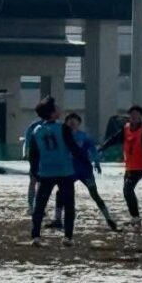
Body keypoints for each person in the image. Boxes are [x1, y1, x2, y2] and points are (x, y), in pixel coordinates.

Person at [49, 113, 119, 232]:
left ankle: (108, 219)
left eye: (75, 120)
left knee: (94, 194)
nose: (72, 123)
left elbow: (93, 150)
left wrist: (96, 163)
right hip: (69, 171)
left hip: (85, 171)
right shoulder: (63, 137)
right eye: (69, 121)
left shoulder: (85, 137)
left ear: (79, 123)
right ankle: (58, 220)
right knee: (60, 193)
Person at [28, 97, 82, 247]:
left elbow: (33, 154)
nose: (59, 109)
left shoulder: (36, 131)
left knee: (40, 205)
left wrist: (34, 171)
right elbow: (73, 148)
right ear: (52, 113)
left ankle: (36, 236)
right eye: (56, 108)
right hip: (64, 171)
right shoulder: (63, 128)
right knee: (69, 204)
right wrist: (83, 159)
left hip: (46, 172)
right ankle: (68, 236)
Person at [99, 104, 142, 233]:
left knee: (128, 189)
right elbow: (114, 139)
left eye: (136, 115)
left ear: (141, 117)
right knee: (127, 192)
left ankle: (135, 217)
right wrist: (102, 148)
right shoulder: (126, 129)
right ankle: (136, 218)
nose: (134, 117)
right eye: (132, 115)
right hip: (129, 166)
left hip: (140, 167)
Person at [22, 107, 45, 213]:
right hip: (35, 157)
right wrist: (25, 153)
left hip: (46, 158)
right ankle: (31, 206)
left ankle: (39, 206)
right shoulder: (34, 126)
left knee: (42, 183)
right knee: (34, 181)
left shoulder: (54, 125)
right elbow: (27, 141)